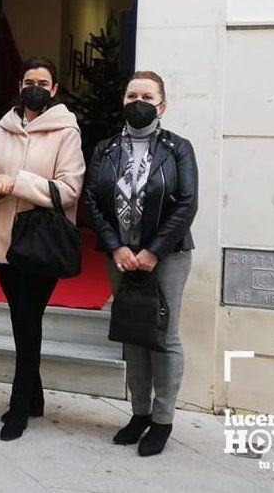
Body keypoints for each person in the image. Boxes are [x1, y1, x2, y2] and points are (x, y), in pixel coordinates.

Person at [0, 57, 85, 442]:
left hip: (41, 242)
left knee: (27, 320)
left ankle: (19, 407)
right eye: (28, 81)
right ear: (20, 85)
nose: (35, 87)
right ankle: (33, 396)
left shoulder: (66, 131)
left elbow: (69, 190)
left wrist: (17, 182)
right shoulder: (2, 128)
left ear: (54, 90)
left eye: (43, 82)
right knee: (21, 320)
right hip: (4, 241)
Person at [85, 71, 198, 457]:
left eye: (147, 95)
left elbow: (187, 203)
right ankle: (139, 413)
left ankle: (163, 420)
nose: (139, 101)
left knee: (164, 337)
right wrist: (116, 247)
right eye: (132, 94)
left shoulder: (179, 148)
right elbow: (92, 202)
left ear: (161, 104)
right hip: (122, 256)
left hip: (166, 256)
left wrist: (154, 251)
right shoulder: (105, 149)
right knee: (133, 333)